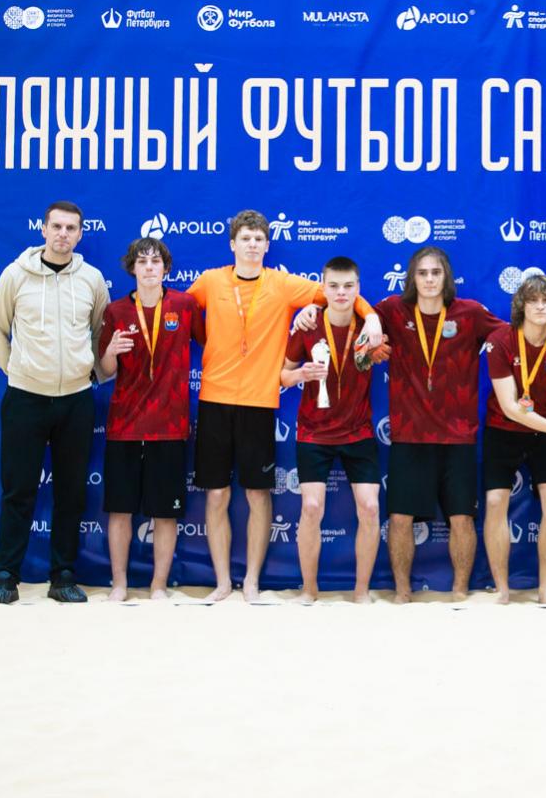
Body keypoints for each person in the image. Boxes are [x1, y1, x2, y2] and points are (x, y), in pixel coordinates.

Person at [187, 210, 381, 602]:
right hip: (214, 397)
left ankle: (252, 581)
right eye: (245, 239)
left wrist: (372, 317)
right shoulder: (210, 281)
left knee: (258, 495)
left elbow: (338, 293)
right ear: (232, 244)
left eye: (259, 239)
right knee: (217, 496)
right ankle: (222, 582)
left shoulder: (282, 283)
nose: (252, 245)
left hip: (260, 400)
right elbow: (182, 312)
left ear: (267, 245)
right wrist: (211, 344)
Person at [0, 200, 110, 603]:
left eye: (71, 228)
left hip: (75, 400)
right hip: (25, 398)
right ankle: (6, 576)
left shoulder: (91, 279)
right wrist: (19, 372)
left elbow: (100, 335)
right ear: (43, 229)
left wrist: (90, 373)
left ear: (80, 234)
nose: (63, 234)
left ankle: (63, 577)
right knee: (18, 490)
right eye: (56, 226)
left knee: (71, 493)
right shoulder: (15, 275)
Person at [373, 246, 507, 602]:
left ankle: (460, 591)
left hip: (458, 436)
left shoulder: (470, 313)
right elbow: (349, 309)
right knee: (400, 518)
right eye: (422, 273)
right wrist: (314, 311)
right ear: (412, 278)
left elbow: (513, 337)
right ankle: (403, 591)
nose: (429, 279)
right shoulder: (392, 310)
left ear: (446, 277)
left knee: (462, 518)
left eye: (436, 272)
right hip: (409, 434)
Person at [97, 238, 205, 601]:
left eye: (155, 261)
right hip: (124, 426)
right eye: (141, 261)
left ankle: (158, 585)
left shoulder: (185, 305)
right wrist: (110, 352)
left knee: (165, 514)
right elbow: (105, 371)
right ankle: (119, 584)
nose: (148, 268)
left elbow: (213, 344)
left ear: (166, 268)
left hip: (169, 426)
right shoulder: (116, 311)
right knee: (120, 510)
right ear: (132, 268)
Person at [280, 257, 388, 604]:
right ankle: (309, 589)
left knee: (370, 508)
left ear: (358, 289)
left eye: (348, 286)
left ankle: (361, 590)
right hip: (314, 431)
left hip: (358, 431)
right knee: (311, 507)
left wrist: (374, 321)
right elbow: (283, 376)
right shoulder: (307, 325)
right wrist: (302, 375)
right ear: (323, 288)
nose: (341, 293)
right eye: (334, 286)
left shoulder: (370, 327)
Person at [482, 275, 546, 604]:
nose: (540, 307)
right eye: (533, 301)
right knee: (495, 502)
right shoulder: (500, 340)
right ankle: (502, 589)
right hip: (504, 428)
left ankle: (545, 589)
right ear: (521, 306)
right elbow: (511, 407)